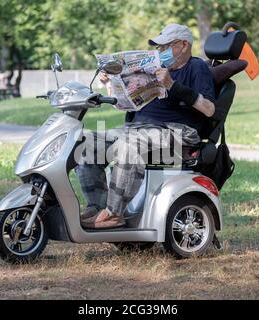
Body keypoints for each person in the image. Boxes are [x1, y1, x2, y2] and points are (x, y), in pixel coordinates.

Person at [78, 23, 216, 229]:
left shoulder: (196, 68)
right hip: (138, 128)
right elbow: (124, 106)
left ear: (184, 45)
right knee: (87, 143)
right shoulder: (154, 70)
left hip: (177, 132)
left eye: (166, 46)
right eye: (159, 48)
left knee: (129, 144)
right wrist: (111, 83)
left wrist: (172, 85)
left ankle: (114, 213)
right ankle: (96, 207)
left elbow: (209, 109)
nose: (161, 51)